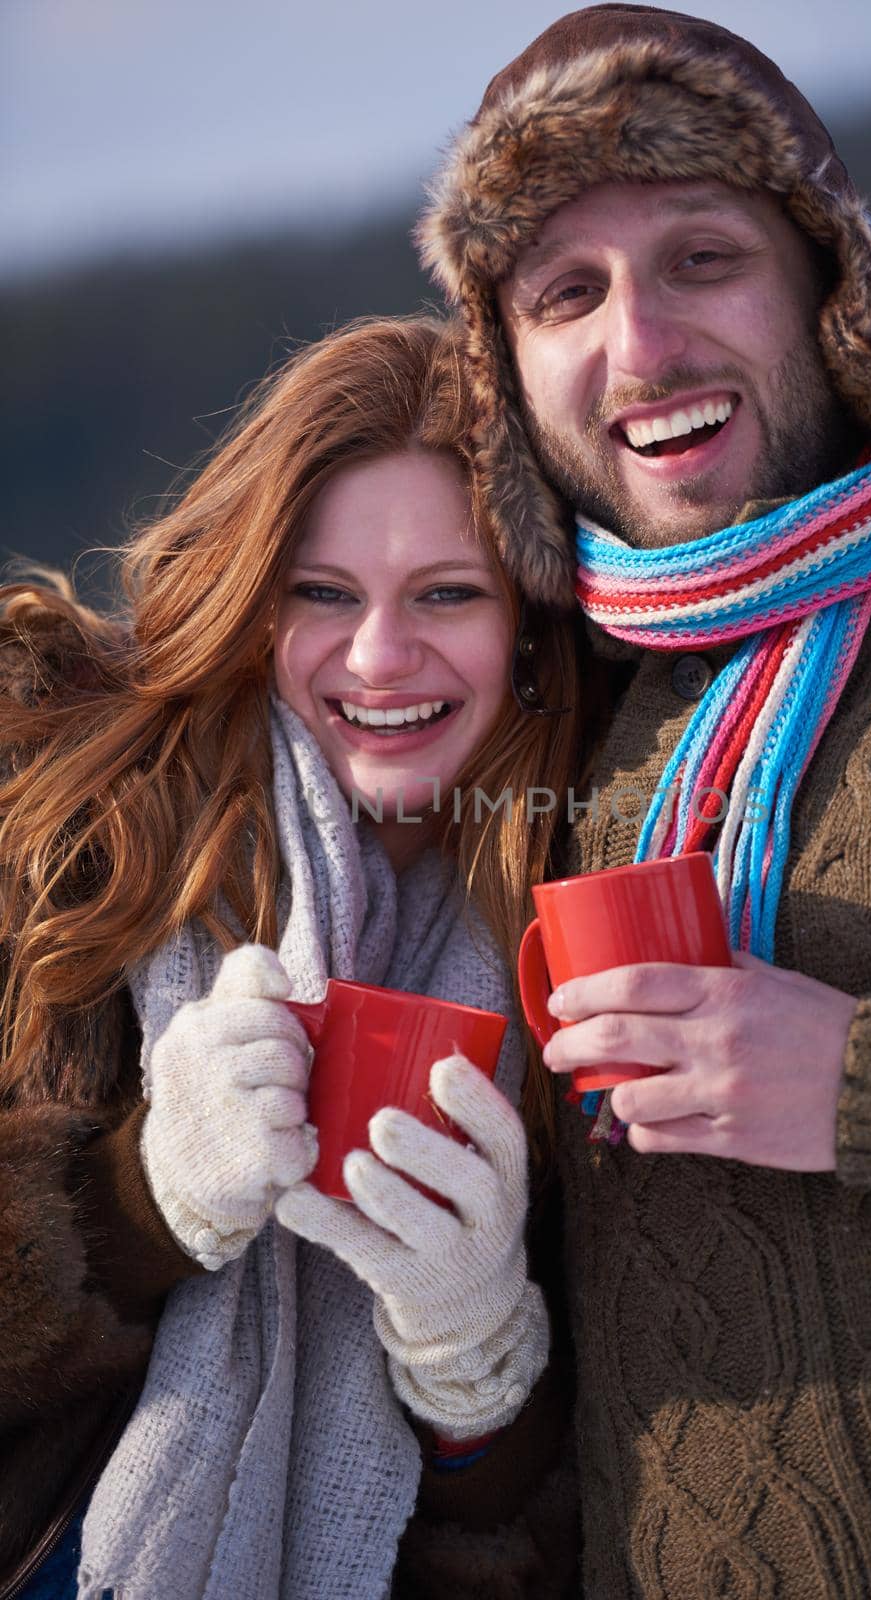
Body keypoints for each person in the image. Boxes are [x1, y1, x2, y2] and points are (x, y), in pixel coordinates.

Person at [417, 7, 871, 1597]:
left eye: (701, 259)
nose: (642, 348)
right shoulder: (542, 704)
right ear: (508, 364)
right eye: (567, 294)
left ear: (827, 288)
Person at [0, 316, 579, 1600]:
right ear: (257, 603)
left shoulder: (572, 913)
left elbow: (559, 1521)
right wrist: (147, 1196)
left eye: (448, 593)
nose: (379, 657)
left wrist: (477, 1357)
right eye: (324, 594)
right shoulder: (59, 807)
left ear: (529, 626)